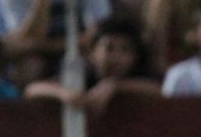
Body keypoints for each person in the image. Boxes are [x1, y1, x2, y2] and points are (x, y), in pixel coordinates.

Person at [24, 13, 161, 111]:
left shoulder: (141, 73)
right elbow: (32, 90)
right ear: (92, 54)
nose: (116, 57)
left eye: (125, 50)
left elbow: (160, 90)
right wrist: (64, 94)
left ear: (135, 56)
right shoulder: (85, 76)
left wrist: (115, 86)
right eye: (109, 48)